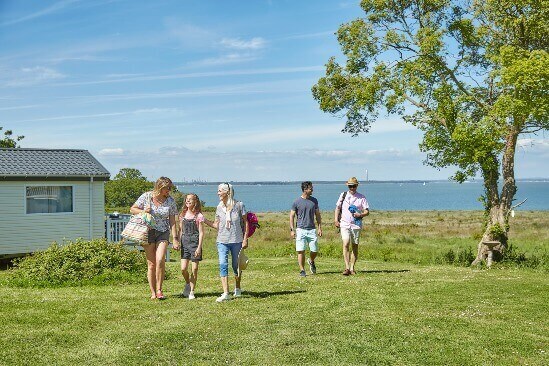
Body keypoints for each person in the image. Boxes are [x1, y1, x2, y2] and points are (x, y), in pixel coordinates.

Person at [130, 176, 179, 300]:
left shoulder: (170, 201)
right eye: (167, 188)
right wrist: (143, 211)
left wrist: (176, 237)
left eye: (170, 188)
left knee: (160, 259)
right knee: (151, 264)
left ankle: (159, 290)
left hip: (163, 232)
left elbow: (172, 221)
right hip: (148, 231)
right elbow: (132, 209)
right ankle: (152, 292)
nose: (169, 190)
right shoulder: (146, 196)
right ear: (160, 186)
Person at [204, 183, 249, 302]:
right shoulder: (219, 207)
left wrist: (245, 239)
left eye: (220, 191)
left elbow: (246, 223)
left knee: (236, 266)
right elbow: (216, 225)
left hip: (237, 240)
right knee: (223, 264)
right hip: (222, 241)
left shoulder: (239, 205)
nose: (217, 193)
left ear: (227, 192)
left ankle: (237, 288)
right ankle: (226, 293)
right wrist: (204, 220)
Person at [334, 177, 369, 275]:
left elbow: (367, 211)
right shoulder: (343, 195)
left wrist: (360, 215)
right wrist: (336, 220)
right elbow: (337, 208)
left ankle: (352, 267)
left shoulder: (361, 197)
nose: (352, 188)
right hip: (344, 223)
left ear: (357, 186)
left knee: (354, 246)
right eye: (350, 186)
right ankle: (346, 267)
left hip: (356, 225)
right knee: (346, 243)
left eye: (353, 186)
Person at [290, 181, 322, 277]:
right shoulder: (296, 202)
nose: (312, 189)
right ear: (305, 190)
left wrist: (320, 227)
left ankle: (311, 261)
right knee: (301, 250)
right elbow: (291, 216)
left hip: (312, 229)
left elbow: (318, 215)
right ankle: (302, 270)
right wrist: (292, 230)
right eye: (310, 188)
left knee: (314, 250)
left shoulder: (314, 201)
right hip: (300, 229)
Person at [176, 193, 205, 300]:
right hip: (185, 243)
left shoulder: (199, 216)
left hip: (195, 243)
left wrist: (198, 247)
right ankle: (188, 283)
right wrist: (178, 242)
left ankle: (192, 291)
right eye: (187, 199)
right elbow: (181, 230)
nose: (188, 201)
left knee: (195, 268)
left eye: (190, 200)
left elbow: (201, 233)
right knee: (183, 269)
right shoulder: (182, 215)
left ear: (195, 202)